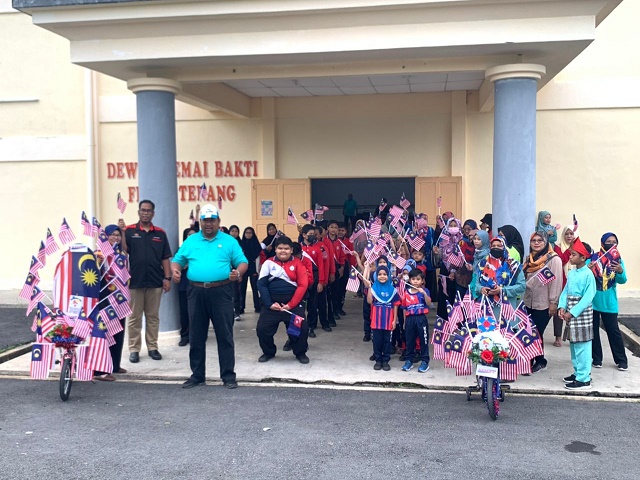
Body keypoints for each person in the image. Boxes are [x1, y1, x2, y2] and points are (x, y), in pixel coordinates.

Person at [171, 204, 248, 389]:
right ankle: (197, 375)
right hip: (196, 292)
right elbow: (177, 260)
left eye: (212, 220)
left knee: (225, 335)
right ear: (200, 221)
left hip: (221, 292)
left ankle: (228, 376)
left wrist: (238, 273)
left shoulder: (229, 241)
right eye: (205, 220)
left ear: (218, 221)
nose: (209, 224)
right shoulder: (191, 241)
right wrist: (175, 270)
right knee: (196, 335)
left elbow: (242, 262)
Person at [125, 200, 172, 363]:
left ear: (153, 213)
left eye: (149, 211)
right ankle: (134, 349)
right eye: (143, 210)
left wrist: (167, 278)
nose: (146, 213)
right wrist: (120, 232)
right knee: (134, 317)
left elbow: (165, 258)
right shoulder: (129, 231)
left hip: (155, 281)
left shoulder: (160, 233)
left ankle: (153, 347)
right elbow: (122, 251)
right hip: (134, 281)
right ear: (139, 212)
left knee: (152, 317)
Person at [256, 236, 310, 364]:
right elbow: (261, 284)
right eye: (280, 248)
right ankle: (268, 352)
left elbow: (303, 285)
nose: (283, 251)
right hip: (272, 306)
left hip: (293, 306)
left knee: (300, 329)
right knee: (262, 329)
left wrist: (291, 305)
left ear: (291, 250)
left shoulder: (298, 263)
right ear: (275, 249)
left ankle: (300, 353)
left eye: (286, 248)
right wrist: (269, 304)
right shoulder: (268, 263)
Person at [558, 238, 597, 390]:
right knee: (574, 344)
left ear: (583, 257)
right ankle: (578, 372)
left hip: (581, 313)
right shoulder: (572, 272)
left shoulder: (588, 274)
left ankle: (584, 379)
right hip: (570, 312)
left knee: (583, 346)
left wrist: (572, 312)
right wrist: (562, 306)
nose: (570, 256)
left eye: (574, 254)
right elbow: (565, 291)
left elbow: (588, 297)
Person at [523, 231, 563, 373]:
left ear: (546, 242)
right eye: (533, 240)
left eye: (540, 240)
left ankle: (539, 361)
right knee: (528, 332)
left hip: (544, 303)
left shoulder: (553, 259)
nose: (536, 243)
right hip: (528, 301)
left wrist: (553, 302)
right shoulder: (529, 259)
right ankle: (530, 360)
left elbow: (556, 282)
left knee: (537, 332)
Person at [94, 224, 129, 381]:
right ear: (105, 236)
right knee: (105, 331)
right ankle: (100, 370)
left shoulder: (123, 255)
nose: (116, 237)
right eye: (112, 234)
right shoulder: (98, 254)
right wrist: (98, 261)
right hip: (104, 297)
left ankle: (115, 364)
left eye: (118, 234)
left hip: (119, 297)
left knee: (118, 330)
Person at [591, 232, 628, 371]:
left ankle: (621, 360)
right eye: (608, 241)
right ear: (602, 243)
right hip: (593, 301)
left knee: (613, 332)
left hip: (609, 302)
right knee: (593, 332)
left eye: (614, 242)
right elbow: (585, 277)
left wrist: (620, 270)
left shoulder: (617, 260)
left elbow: (623, 280)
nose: (612, 244)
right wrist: (589, 269)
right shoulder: (593, 258)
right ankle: (597, 359)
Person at [363, 265, 401, 371]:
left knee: (387, 342)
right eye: (379, 274)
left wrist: (394, 320)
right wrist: (369, 287)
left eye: (384, 274)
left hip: (388, 321)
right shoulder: (374, 289)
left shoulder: (393, 290)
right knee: (377, 342)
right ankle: (378, 360)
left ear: (388, 276)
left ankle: (385, 361)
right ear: (376, 276)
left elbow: (396, 305)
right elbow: (369, 301)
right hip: (376, 321)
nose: (382, 276)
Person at [476, 237, 525, 311]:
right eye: (493, 246)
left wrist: (502, 290)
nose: (496, 248)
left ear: (504, 247)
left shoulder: (514, 266)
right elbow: (476, 284)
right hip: (486, 307)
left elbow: (521, 286)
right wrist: (481, 289)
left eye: (499, 246)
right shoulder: (482, 264)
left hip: (507, 307)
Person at [400, 269, 431, 373]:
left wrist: (424, 294)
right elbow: (404, 308)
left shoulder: (425, 291)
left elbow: (429, 303)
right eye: (413, 279)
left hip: (421, 318)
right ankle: (409, 360)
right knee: (409, 341)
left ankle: (425, 361)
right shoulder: (406, 293)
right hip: (410, 319)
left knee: (423, 340)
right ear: (410, 280)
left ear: (422, 281)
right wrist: (405, 322)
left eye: (418, 279)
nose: (415, 281)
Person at [553, 225, 578, 346]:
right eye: (567, 234)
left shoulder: (580, 246)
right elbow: (561, 261)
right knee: (560, 309)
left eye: (571, 234)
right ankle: (558, 337)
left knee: (574, 309)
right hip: (562, 280)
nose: (569, 236)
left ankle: (572, 336)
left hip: (576, 281)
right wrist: (570, 249)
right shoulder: (558, 247)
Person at [300, 224, 328, 336]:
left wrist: (321, 281)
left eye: (313, 234)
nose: (312, 236)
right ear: (304, 235)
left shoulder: (317, 248)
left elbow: (321, 266)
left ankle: (311, 326)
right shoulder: (298, 248)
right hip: (301, 278)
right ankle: (300, 326)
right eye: (310, 234)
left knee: (313, 303)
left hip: (315, 277)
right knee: (300, 304)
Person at [177, 226, 197, 347]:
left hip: (198, 286)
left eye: (194, 234)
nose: (192, 237)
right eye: (189, 234)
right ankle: (184, 335)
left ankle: (196, 335)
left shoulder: (201, 249)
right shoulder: (181, 250)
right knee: (184, 312)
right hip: (184, 285)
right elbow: (176, 264)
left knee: (197, 312)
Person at [239, 227, 262, 314]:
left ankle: (257, 306)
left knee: (255, 288)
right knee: (242, 289)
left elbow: (259, 256)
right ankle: (241, 307)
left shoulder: (256, 244)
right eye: (247, 233)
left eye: (250, 233)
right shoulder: (241, 245)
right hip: (244, 268)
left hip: (253, 269)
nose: (248, 234)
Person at [228, 224, 243, 321]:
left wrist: (239, 273)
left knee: (235, 292)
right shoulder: (226, 243)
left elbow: (241, 260)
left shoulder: (240, 244)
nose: (234, 233)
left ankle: (236, 312)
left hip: (235, 271)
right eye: (232, 231)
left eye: (236, 231)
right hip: (225, 272)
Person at [470, 230, 490, 298]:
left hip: (482, 285)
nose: (476, 241)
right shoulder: (477, 252)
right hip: (475, 281)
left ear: (484, 240)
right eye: (475, 239)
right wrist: (472, 268)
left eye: (479, 239)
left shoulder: (487, 255)